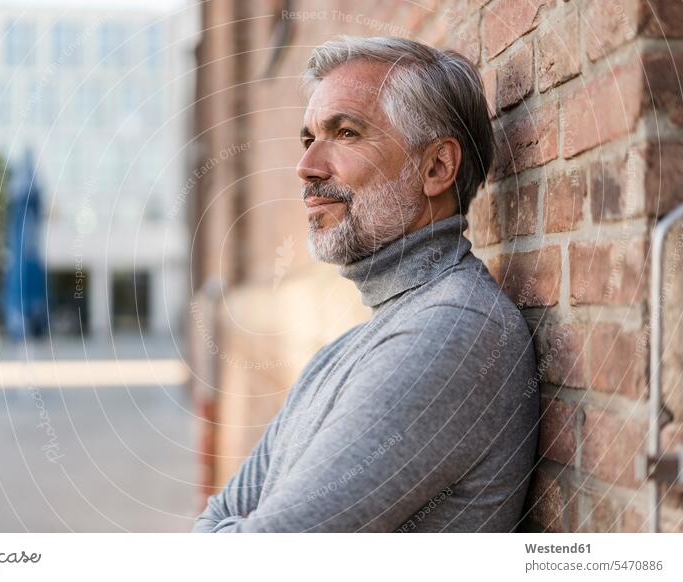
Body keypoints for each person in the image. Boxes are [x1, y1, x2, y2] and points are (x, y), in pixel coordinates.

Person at [192, 35, 539, 533]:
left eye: (347, 133)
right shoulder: (349, 348)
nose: (306, 167)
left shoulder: (451, 335)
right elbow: (217, 516)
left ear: (437, 167)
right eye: (310, 139)